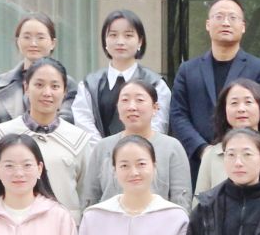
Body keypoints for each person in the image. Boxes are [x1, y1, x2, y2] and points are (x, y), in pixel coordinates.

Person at [168, 0, 260, 174]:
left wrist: (236, 149)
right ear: (208, 24)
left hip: (245, 162)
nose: (225, 22)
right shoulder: (187, 70)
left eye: (232, 17)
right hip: (198, 163)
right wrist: (202, 149)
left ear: (243, 27)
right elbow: (178, 114)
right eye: (219, 17)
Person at [0, 57, 95, 214]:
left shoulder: (79, 139)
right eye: (39, 85)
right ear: (26, 88)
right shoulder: (1, 135)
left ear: (64, 92)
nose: (47, 93)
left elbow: (87, 195)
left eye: (55, 86)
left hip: (65, 226)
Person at [80, 77, 193, 211]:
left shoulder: (171, 147)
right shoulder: (102, 147)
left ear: (155, 107)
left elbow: (181, 201)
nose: (132, 107)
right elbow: (90, 198)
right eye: (125, 100)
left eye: (139, 100)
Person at [70, 9, 172, 138]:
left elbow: (158, 126)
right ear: (105, 40)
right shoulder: (89, 84)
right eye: (113, 35)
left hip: (145, 149)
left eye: (128, 35)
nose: (120, 42)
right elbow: (83, 123)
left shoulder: (156, 84)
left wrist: (136, 148)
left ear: (140, 41)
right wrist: (104, 148)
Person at [194, 78, 260, 197]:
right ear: (224, 110)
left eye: (248, 102)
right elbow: (200, 204)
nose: (241, 109)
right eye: (234, 103)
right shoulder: (211, 155)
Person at [0, 13, 77, 136]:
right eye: (27, 37)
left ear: (53, 43)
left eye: (40, 37)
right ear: (17, 41)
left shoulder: (67, 83)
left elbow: (66, 127)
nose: (33, 43)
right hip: (6, 147)